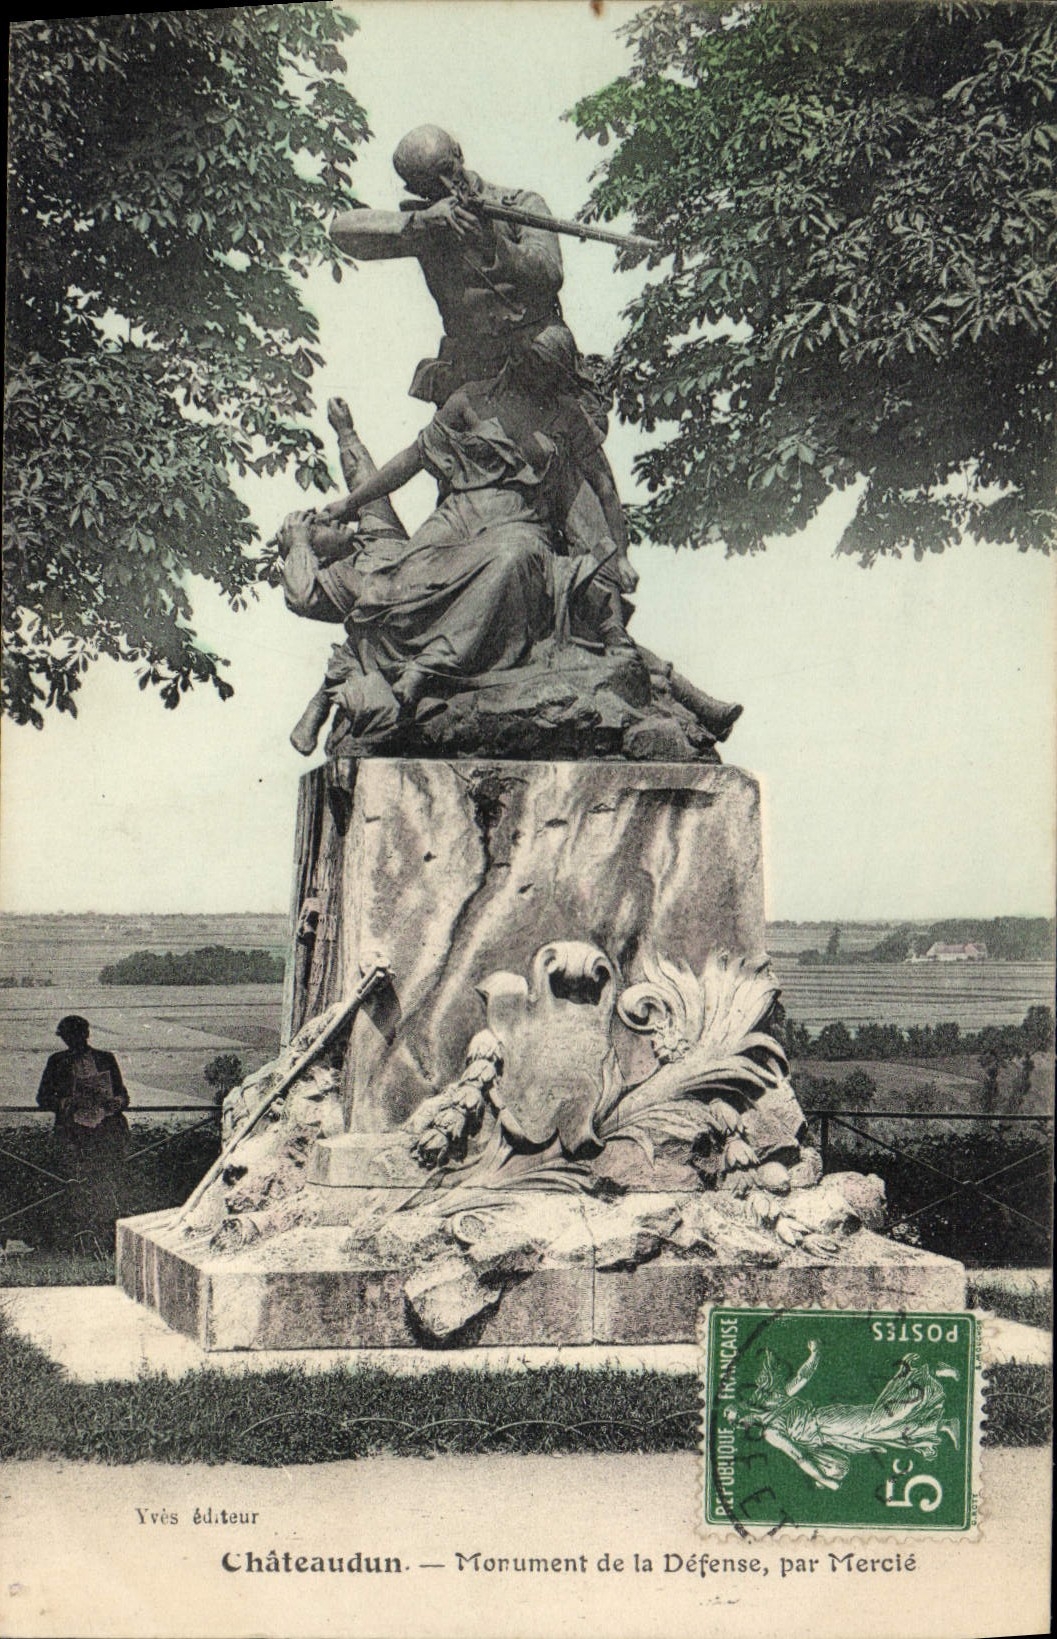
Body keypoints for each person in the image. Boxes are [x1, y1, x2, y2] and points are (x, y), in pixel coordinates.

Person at [331, 125, 568, 409]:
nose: (446, 184)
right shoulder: (428, 225)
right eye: (430, 181)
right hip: (472, 372)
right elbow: (341, 231)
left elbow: (550, 273)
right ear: (414, 189)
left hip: (537, 359)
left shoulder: (519, 203)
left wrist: (494, 245)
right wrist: (421, 222)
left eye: (447, 168)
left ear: (459, 153)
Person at [739, 1343, 961, 1491]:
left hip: (826, 1420)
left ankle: (929, 1371)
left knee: (878, 1421)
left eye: (738, 1418)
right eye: (736, 1424)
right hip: (831, 1437)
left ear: (746, 1409)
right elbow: (800, 1456)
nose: (741, 1425)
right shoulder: (769, 1431)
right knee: (882, 1433)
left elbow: (801, 1377)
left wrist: (815, 1355)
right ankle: (942, 1424)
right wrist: (823, 1477)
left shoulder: (774, 1406)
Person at [37, 1015, 130, 1164]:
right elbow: (42, 1097)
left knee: (110, 1168)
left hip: (108, 1128)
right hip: (72, 1130)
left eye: (75, 1035)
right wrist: (64, 1103)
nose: (72, 1040)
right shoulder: (57, 1061)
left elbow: (122, 1093)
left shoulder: (105, 1058)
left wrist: (117, 1102)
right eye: (67, 1036)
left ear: (86, 1034)